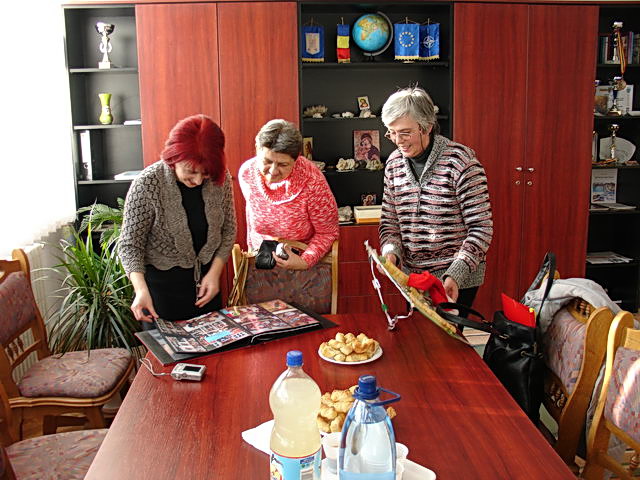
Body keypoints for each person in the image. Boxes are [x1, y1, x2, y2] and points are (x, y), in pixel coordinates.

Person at [379, 86, 493, 307]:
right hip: (414, 276)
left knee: (447, 338)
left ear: (427, 127)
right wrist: (390, 251)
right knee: (418, 337)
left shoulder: (461, 162)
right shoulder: (393, 164)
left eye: (405, 132)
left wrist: (455, 274)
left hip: (457, 276)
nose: (397, 140)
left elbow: (481, 228)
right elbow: (390, 222)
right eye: (391, 132)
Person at [118, 114, 236, 326]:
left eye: (205, 173)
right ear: (173, 158)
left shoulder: (221, 178)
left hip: (207, 292)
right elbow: (129, 245)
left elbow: (228, 230)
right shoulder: (147, 184)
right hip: (160, 298)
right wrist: (140, 290)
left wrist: (214, 273)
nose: (198, 180)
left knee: (215, 357)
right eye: (190, 171)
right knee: (167, 358)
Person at [238, 119, 338, 270]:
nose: (273, 171)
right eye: (267, 161)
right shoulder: (247, 174)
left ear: (296, 159)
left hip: (304, 263)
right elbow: (253, 223)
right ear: (257, 149)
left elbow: (328, 232)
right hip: (262, 260)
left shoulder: (312, 181)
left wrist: (305, 261)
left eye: (283, 165)